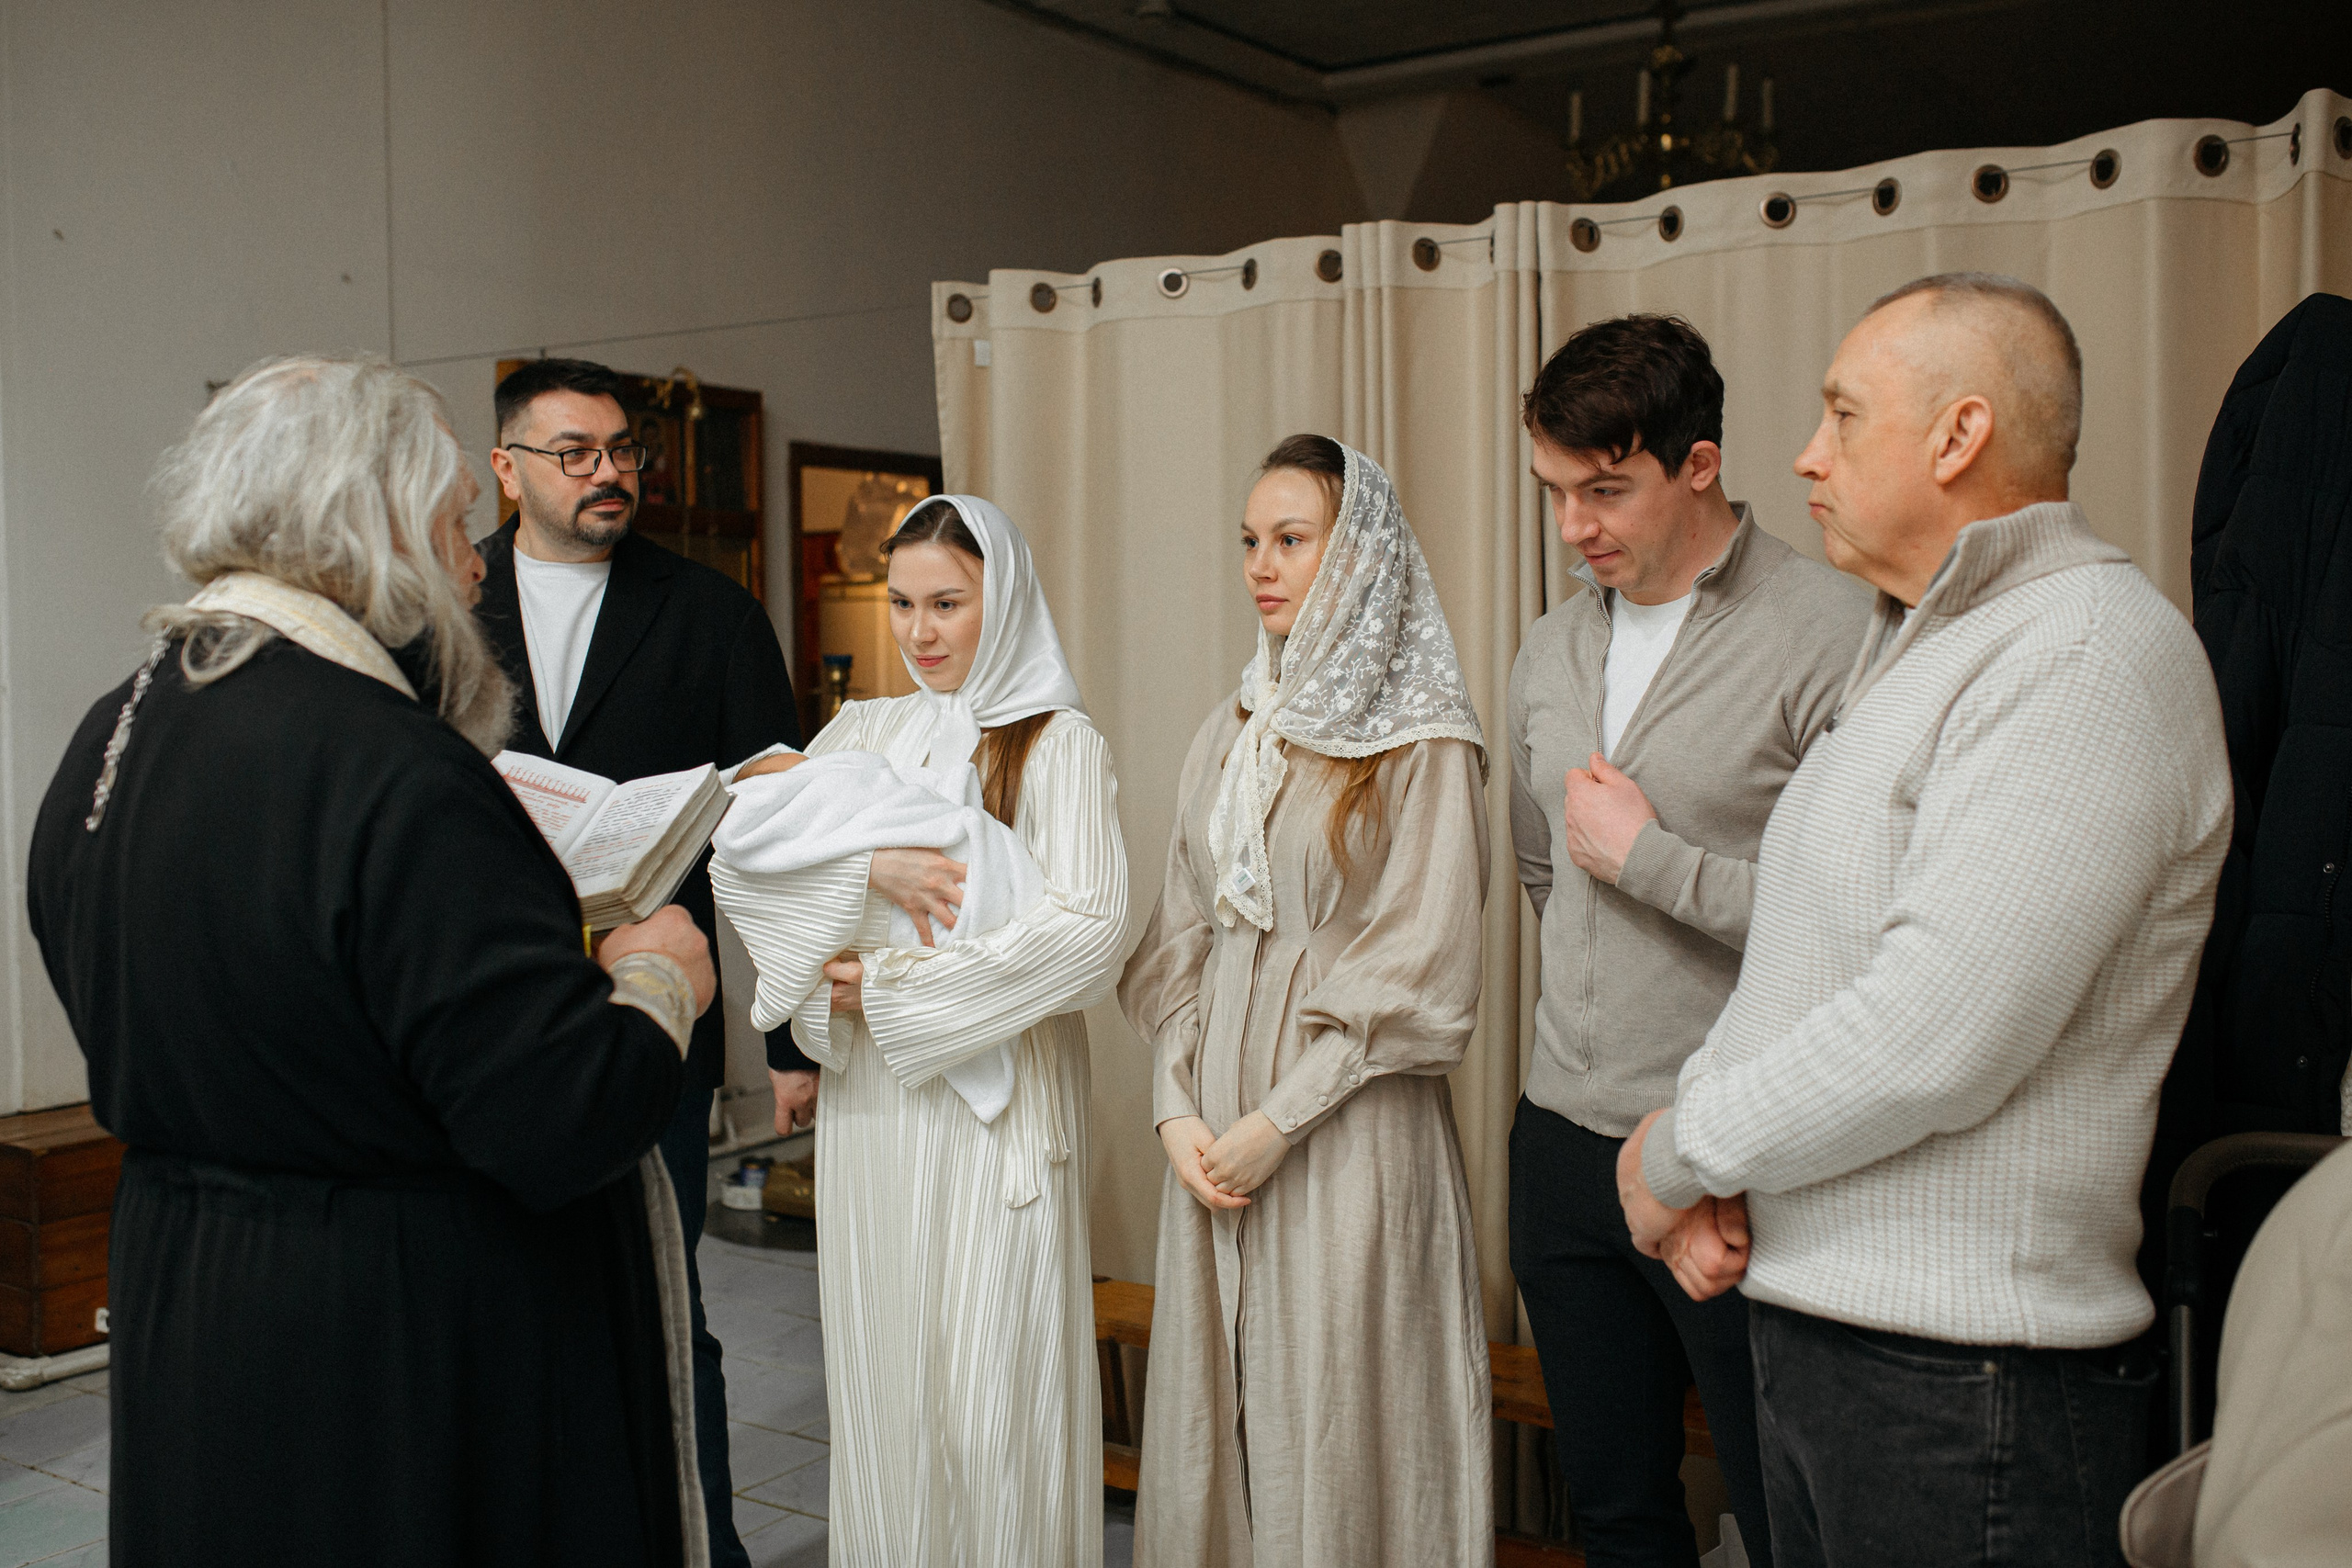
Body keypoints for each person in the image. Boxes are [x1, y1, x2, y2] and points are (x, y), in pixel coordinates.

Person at [26, 355, 717, 1567]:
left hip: (194, 1289)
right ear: (379, 529)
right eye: (453, 525)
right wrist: (658, 977)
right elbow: (558, 1115)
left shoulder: (118, 723)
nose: (475, 567)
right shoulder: (387, 763)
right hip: (385, 1334)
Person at [1617, 275, 2233, 1568]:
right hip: (1828, 1340)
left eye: (1842, 415)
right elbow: (1803, 959)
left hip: (1966, 1385)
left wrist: (1676, 1152)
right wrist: (1709, 1146)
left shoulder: (2084, 654)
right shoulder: (1916, 647)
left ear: (1958, 437)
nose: (1806, 454)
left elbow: (1935, 1032)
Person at [1506, 314, 1869, 1568]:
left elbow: (1862, 923)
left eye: (1605, 489)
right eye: (1554, 491)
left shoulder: (1834, 632)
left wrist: (1653, 862)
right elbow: (1545, 868)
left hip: (1735, 1154)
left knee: (1784, 1517)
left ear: (1699, 463)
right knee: (1615, 1515)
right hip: (1561, 1140)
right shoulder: (1551, 645)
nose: (1573, 527)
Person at [724, 496, 1128, 1565]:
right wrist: (870, 873)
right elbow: (750, 867)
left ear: (1007, 596)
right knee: (886, 1383)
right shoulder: (862, 731)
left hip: (999, 1120)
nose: (919, 631)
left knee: (995, 1402)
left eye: (947, 603)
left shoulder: (1057, 743)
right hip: (873, 1113)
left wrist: (892, 989)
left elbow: (1088, 933)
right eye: (902, 604)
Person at [1121, 435, 1493, 1566]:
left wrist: (1277, 1123)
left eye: (1291, 539)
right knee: (1223, 1417)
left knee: (1337, 1421)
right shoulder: (1231, 729)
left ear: (1361, 553)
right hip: (1213, 1143)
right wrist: (1174, 1105)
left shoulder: (1421, 742)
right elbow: (1183, 935)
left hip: (1343, 1141)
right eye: (1249, 540)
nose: (1260, 565)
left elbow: (1424, 962)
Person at [476, 356, 805, 1568]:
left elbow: (781, 831)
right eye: (576, 452)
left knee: (663, 1302)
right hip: (486, 1015)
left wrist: (788, 1038)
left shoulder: (709, 611)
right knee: (500, 1303)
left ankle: (699, 1547)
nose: (608, 471)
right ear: (507, 467)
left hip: (658, 1013)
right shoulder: (444, 606)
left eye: (622, 450)